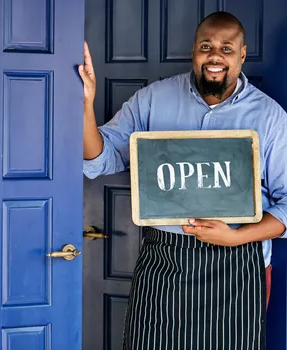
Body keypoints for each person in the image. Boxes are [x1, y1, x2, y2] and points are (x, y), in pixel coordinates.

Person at [79, 11, 287, 350]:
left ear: (242, 55)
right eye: (206, 46)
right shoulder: (152, 100)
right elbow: (99, 159)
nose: (215, 55)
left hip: (238, 268)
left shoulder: (270, 117)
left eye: (226, 48)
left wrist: (236, 238)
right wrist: (85, 105)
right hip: (165, 265)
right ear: (194, 50)